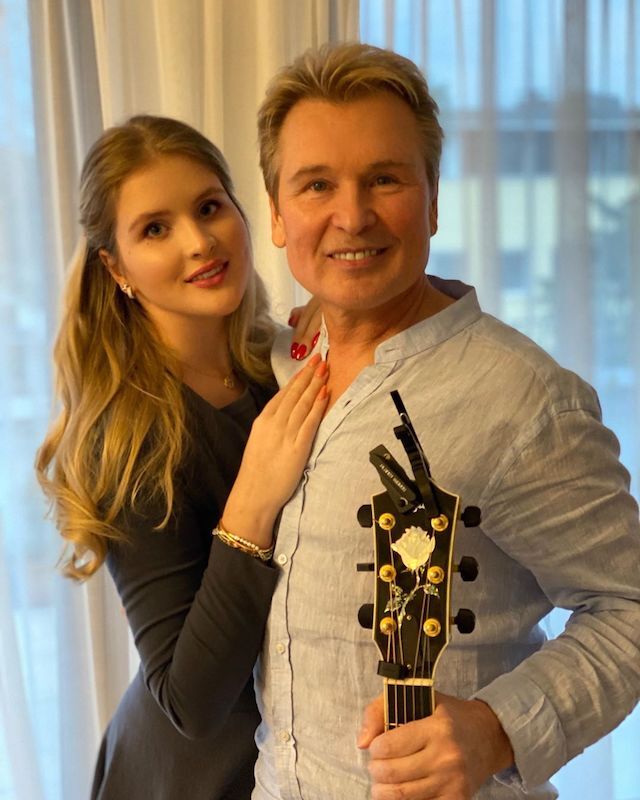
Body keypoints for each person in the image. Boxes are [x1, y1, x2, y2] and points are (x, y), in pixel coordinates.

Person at [251, 42, 640, 800]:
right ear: (275, 213)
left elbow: (629, 606)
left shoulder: (523, 398)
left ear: (433, 199)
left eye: (385, 179)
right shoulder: (273, 361)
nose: (351, 216)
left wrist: (496, 728)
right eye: (317, 184)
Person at [35, 115, 328, 800]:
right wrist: (252, 501)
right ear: (116, 268)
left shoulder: (278, 366)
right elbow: (190, 702)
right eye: (155, 229)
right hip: (190, 781)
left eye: (209, 207)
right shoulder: (126, 440)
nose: (199, 242)